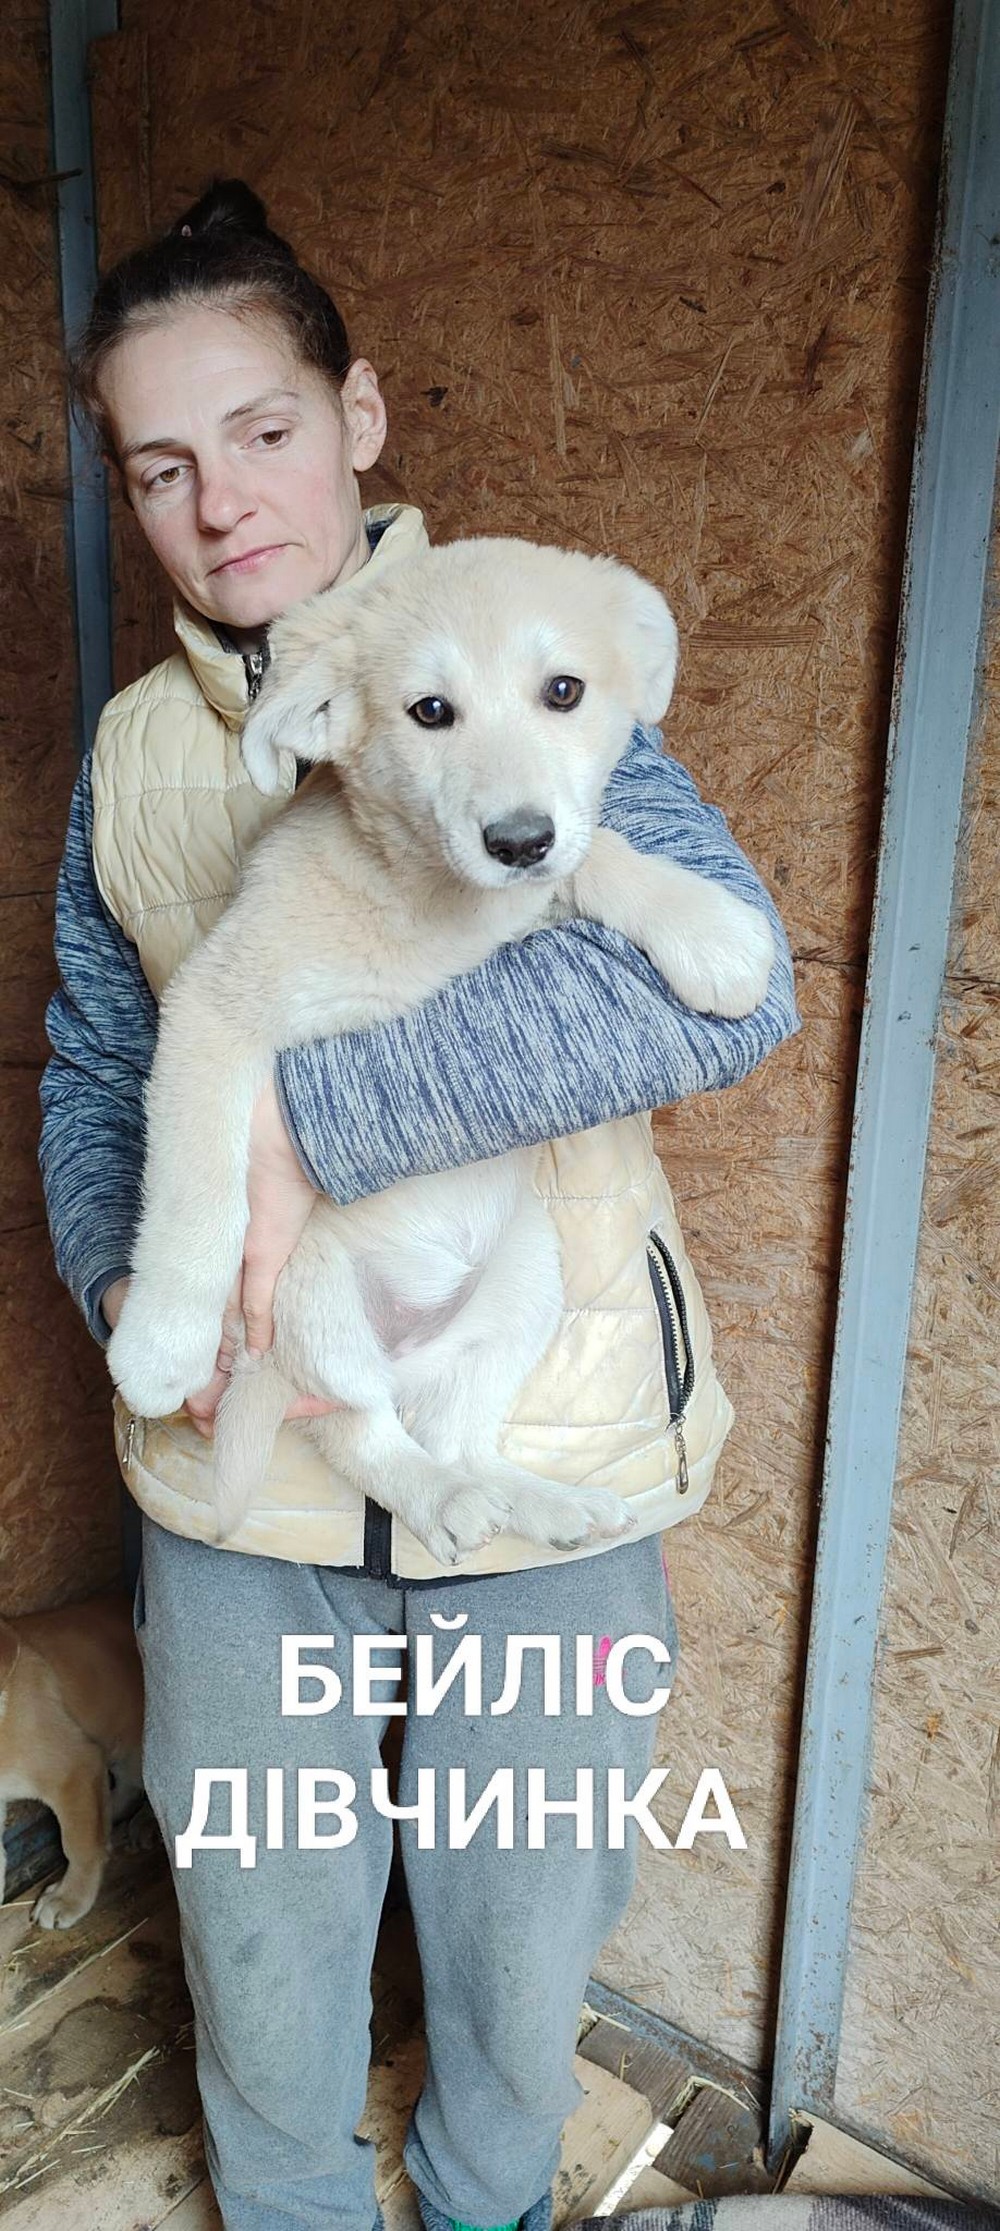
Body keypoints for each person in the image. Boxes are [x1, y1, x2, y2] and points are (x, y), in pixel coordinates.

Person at [39, 178, 799, 2231]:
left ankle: (479, 2205)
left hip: (534, 1424)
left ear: (360, 416)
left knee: (514, 1937)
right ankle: (289, 2207)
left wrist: (307, 1133)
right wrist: (134, 1272)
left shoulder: (519, 643)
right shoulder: (134, 756)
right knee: (266, 1945)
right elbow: (100, 1066)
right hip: (244, 1482)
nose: (220, 504)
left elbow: (718, 980)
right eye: (161, 464)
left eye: (265, 432)